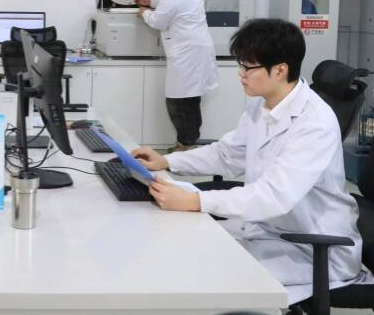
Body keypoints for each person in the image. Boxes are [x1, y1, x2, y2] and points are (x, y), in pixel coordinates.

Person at [132, 18, 372, 305]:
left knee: (203, 272)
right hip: (269, 230)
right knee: (182, 246)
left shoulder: (314, 123)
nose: (241, 74)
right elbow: (227, 154)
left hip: (311, 247)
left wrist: (196, 201)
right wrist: (167, 161)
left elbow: (273, 197)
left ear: (280, 70)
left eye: (248, 67)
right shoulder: (262, 105)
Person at [134, 0, 218, 152]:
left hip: (186, 53)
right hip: (196, 49)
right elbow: (173, 6)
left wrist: (144, 12)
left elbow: (159, 21)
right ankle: (189, 142)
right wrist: (150, 1)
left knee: (178, 102)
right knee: (191, 99)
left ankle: (186, 145)